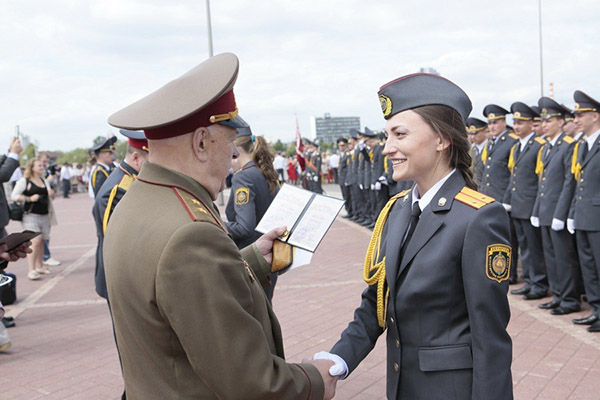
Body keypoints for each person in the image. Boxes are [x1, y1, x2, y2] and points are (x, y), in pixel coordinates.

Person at [103, 53, 336, 399]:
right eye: (229, 149)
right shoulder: (189, 232)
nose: (232, 162)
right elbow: (251, 381)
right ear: (200, 143)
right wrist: (314, 380)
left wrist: (253, 259)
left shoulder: (137, 200)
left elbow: (175, 290)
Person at [315, 73, 513, 399]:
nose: (387, 148)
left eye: (400, 134)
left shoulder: (478, 218)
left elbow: (490, 339)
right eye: (386, 135)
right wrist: (340, 357)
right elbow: (378, 303)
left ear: (442, 139)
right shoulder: (398, 210)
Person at [531, 98, 581, 315]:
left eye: (549, 120)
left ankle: (570, 299)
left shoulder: (568, 146)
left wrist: (561, 214)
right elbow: (543, 184)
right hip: (545, 211)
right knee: (551, 257)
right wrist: (536, 211)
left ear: (561, 122)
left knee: (564, 258)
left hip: (557, 212)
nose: (545, 125)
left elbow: (569, 182)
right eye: (544, 121)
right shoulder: (548, 148)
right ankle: (558, 295)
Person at [225, 123, 280, 302]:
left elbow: (244, 227)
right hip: (269, 256)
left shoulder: (243, 177)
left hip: (252, 256)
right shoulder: (263, 172)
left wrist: (215, 222)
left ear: (236, 148)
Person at [503, 102, 548, 300]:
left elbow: (540, 180)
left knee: (534, 248)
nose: (517, 126)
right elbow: (514, 177)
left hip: (531, 205)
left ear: (531, 123)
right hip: (518, 204)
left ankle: (539, 284)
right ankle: (530, 281)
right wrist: (507, 199)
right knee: (525, 247)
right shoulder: (517, 147)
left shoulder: (539, 146)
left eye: (521, 122)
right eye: (515, 122)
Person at [568, 90, 600, 332]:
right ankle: (596, 310)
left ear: (595, 116)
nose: (576, 119)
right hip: (583, 216)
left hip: (597, 218)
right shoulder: (582, 146)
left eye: (581, 114)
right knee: (588, 267)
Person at [480, 104, 521, 285]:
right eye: (489, 123)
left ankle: (509, 273)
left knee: (508, 239)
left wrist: (507, 199)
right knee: (493, 239)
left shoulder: (511, 141)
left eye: (495, 122)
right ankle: (497, 270)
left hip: (504, 200)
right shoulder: (492, 142)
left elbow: (514, 173)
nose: (492, 126)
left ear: (504, 122)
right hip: (490, 198)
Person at [11, 158, 57, 280]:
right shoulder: (24, 181)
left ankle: (40, 266)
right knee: (35, 241)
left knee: (42, 241)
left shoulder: (44, 180)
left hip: (44, 214)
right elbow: (14, 196)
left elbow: (51, 195)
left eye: (43, 165)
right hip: (30, 215)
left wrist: (52, 193)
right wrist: (30, 198)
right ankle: (31, 270)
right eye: (39, 165)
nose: (42, 167)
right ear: (31, 167)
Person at [466, 117, 488, 187]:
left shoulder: (490, 148)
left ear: (484, 131)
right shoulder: (471, 150)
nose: (472, 137)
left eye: (475, 133)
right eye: (470, 134)